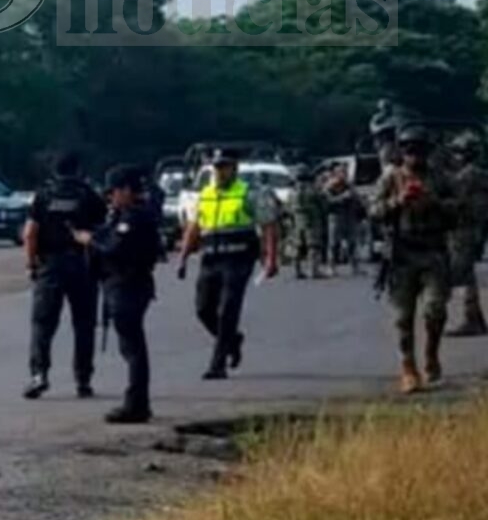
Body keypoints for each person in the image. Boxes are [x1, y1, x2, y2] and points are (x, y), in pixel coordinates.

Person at [176, 150, 280, 380]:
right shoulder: (205, 194)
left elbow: (268, 225)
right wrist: (183, 256)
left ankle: (217, 364)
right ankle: (232, 340)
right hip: (210, 259)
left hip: (239, 258)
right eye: (217, 167)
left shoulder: (249, 193)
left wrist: (271, 258)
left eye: (224, 167)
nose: (220, 171)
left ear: (234, 168)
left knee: (227, 311)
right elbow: (193, 227)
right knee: (203, 310)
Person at [371, 125, 457, 392]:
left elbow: (458, 212)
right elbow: (373, 211)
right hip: (402, 252)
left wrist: (433, 201)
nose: (414, 157)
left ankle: (431, 355)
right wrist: (398, 201)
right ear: (401, 152)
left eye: (419, 151)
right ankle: (408, 367)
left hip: (432, 251)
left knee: (435, 309)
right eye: (409, 151)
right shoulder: (391, 178)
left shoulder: (440, 178)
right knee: (402, 317)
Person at [74, 166, 160, 424]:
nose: (110, 197)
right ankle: (138, 403)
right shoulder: (124, 216)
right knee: (131, 348)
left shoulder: (134, 218)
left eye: (113, 192)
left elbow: (115, 248)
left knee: (133, 349)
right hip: (123, 284)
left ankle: (136, 405)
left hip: (128, 284)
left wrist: (90, 241)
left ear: (125, 190)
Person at [22, 153, 106, 401]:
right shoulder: (89, 195)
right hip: (83, 265)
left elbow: (30, 233)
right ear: (78, 170)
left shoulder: (44, 195)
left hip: (51, 266)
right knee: (84, 325)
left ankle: (39, 375)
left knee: (43, 324)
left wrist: (31, 263)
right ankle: (83, 380)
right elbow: (102, 231)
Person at [444, 132, 488, 337]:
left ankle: (471, 318)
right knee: (467, 275)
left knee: (455, 275)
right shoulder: (478, 174)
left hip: (464, 229)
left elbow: (453, 199)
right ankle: (474, 318)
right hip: (472, 228)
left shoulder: (467, 175)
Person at [287, 166, 327, 280]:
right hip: (313, 220)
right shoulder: (313, 190)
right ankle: (314, 270)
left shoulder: (292, 192)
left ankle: (297, 270)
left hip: (297, 222)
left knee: (298, 246)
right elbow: (323, 204)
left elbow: (288, 208)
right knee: (313, 246)